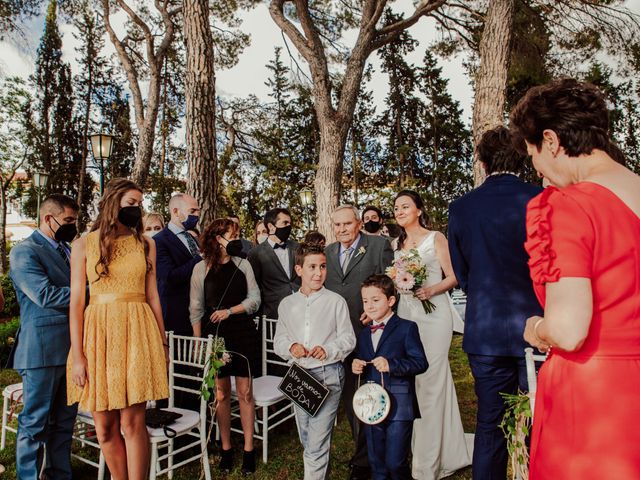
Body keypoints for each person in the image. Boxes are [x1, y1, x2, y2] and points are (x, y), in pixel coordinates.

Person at [510, 78, 640, 478]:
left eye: (532, 153)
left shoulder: (568, 205)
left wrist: (535, 328)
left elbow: (568, 331)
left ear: (550, 140)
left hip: (594, 402)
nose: (537, 166)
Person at [447, 126, 543, 479]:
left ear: (483, 163)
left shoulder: (461, 208)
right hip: (538, 329)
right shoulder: (541, 200)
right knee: (542, 422)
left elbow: (463, 272)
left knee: (489, 425)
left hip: (485, 330)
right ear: (523, 158)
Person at [67, 178, 169, 479]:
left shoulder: (146, 243)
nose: (138, 210)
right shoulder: (83, 244)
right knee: (105, 428)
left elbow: (153, 296)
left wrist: (162, 343)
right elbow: (76, 302)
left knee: (133, 423)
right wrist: (78, 357)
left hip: (137, 331)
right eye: (131, 204)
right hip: (98, 334)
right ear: (113, 204)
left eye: (140, 204)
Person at [392, 190, 470, 479]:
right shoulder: (395, 243)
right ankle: (430, 445)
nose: (399, 210)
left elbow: (454, 276)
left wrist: (430, 290)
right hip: (406, 314)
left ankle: (428, 463)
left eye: (405, 206)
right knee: (412, 382)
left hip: (433, 315)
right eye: (396, 207)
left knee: (432, 381)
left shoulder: (436, 238)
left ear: (419, 209)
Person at [8, 194, 80, 479]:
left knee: (65, 420)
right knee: (35, 422)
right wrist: (92, 292)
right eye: (68, 221)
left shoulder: (70, 249)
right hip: (42, 349)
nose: (72, 226)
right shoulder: (25, 251)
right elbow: (44, 294)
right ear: (48, 219)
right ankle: (29, 475)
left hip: (74, 350)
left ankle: (59, 473)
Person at [274, 242, 356, 480]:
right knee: (308, 438)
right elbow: (279, 340)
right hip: (299, 377)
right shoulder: (287, 305)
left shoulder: (335, 302)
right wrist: (292, 346)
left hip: (328, 375)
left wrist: (328, 349)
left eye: (322, 266)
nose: (318, 272)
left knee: (317, 444)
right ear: (298, 270)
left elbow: (348, 339)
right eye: (312, 267)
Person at [324, 205, 393, 480]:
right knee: (352, 398)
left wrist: (376, 310)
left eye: (347, 224)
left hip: (369, 334)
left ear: (358, 224)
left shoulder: (378, 246)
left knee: (372, 395)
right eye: (337, 225)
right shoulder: (328, 253)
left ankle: (367, 461)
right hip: (338, 337)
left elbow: (390, 285)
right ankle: (364, 454)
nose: (342, 229)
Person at [189, 218, 261, 474]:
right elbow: (195, 309)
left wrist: (231, 311)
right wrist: (199, 343)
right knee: (221, 394)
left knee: (245, 393)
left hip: (242, 332)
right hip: (215, 336)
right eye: (233, 235)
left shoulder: (244, 265)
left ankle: (250, 449)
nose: (237, 239)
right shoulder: (200, 269)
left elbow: (255, 299)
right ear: (218, 239)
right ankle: (227, 448)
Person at [352, 274, 428, 480]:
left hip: (399, 406)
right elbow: (362, 358)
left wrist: (392, 364)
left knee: (395, 462)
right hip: (371, 405)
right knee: (377, 462)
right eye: (365, 301)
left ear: (391, 301)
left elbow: (420, 363)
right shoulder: (364, 333)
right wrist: (357, 365)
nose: (370, 305)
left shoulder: (406, 328)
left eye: (375, 300)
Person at [153, 193, 202, 336]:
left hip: (197, 314)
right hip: (176, 316)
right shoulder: (159, 241)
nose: (197, 215)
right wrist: (199, 259)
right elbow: (169, 277)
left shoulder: (193, 238)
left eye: (198, 211)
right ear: (175, 211)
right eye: (192, 211)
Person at [247, 207, 300, 319]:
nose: (288, 226)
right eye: (285, 223)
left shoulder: (297, 248)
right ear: (271, 226)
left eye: (290, 223)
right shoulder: (256, 253)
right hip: (273, 313)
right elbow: (255, 287)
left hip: (300, 309)